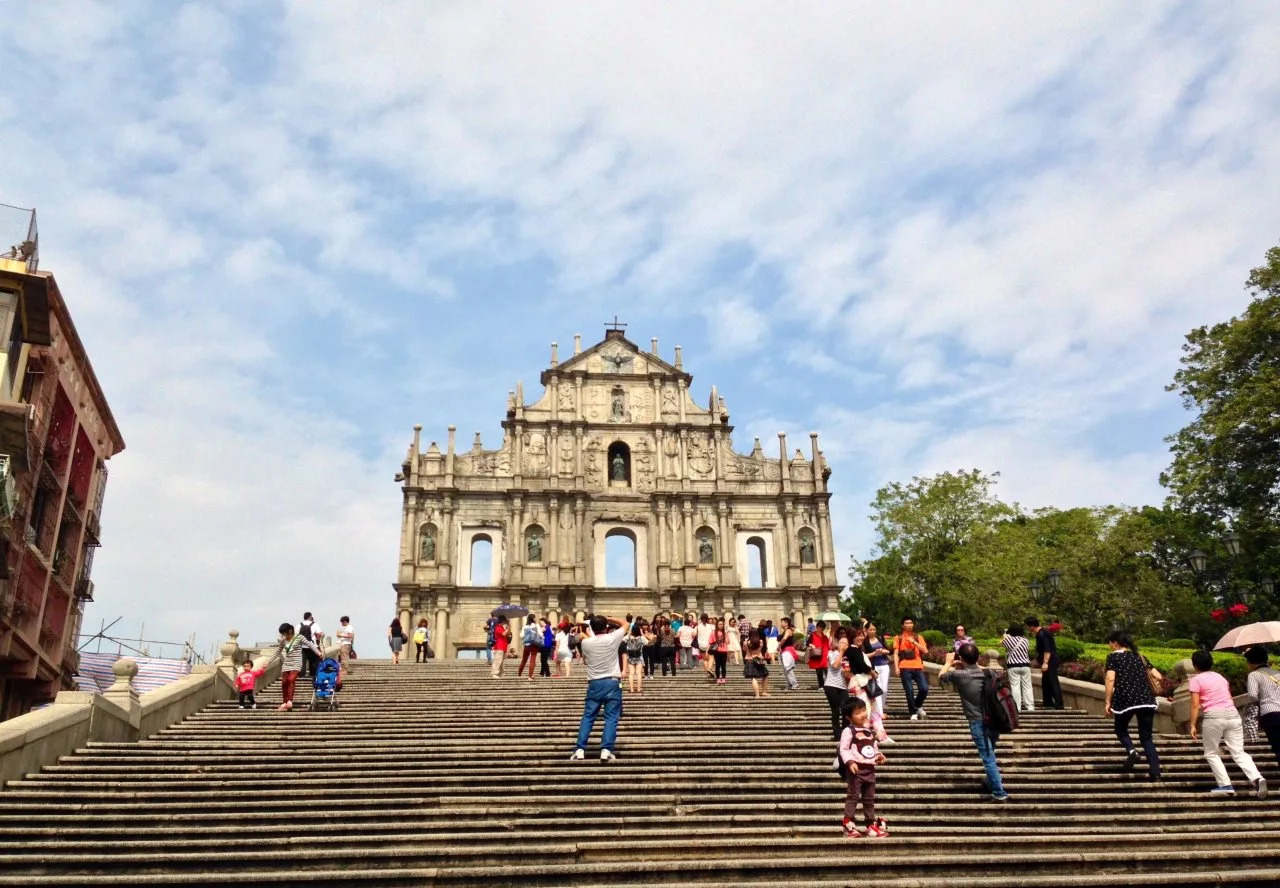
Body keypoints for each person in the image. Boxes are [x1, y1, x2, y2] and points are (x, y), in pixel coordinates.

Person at [1189, 650, 1266, 797]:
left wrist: (1192, 725)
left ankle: (1225, 785)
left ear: (1195, 665)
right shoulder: (1220, 677)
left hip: (1214, 716)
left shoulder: (1196, 680)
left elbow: (1194, 705)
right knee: (1238, 751)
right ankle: (1257, 778)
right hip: (1232, 714)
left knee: (1211, 753)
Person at [939, 642, 1008, 801]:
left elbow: (941, 677)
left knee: (988, 757)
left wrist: (948, 663)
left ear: (961, 658)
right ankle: (991, 782)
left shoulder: (959, 675)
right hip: (995, 719)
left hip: (978, 721)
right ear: (978, 657)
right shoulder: (990, 673)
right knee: (990, 752)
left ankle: (999, 792)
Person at [1103, 630, 1160, 780]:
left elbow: (1110, 679)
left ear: (1115, 643)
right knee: (1146, 738)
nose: (1109, 646)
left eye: (1110, 643)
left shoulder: (1113, 657)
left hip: (1125, 700)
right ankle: (1155, 772)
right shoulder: (1140, 656)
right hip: (1146, 700)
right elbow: (1158, 676)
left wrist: (1108, 701)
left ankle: (1131, 751)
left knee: (1120, 729)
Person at [569, 615, 628, 762]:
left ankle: (580, 749)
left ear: (592, 628)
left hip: (594, 683)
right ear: (606, 627)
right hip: (612, 682)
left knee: (588, 717)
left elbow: (586, 660)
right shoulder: (612, 638)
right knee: (611, 718)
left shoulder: (586, 643)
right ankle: (606, 749)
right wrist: (611, 617)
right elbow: (626, 624)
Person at [838, 697, 888, 838]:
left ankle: (870, 825)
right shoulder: (849, 731)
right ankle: (848, 825)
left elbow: (873, 747)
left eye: (863, 710)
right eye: (858, 712)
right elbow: (844, 749)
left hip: (869, 769)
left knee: (869, 799)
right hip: (856, 769)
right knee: (853, 797)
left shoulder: (868, 731)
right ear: (849, 717)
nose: (863, 714)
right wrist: (850, 762)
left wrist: (878, 755)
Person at [265, 622, 323, 712]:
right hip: (287, 663)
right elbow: (278, 652)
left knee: (291, 680)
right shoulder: (284, 641)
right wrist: (268, 662)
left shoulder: (299, 637)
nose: (284, 635)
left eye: (285, 633)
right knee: (284, 682)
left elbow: (310, 645)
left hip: (297, 663)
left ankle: (289, 701)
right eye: (282, 633)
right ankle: (284, 702)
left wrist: (318, 653)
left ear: (290, 630)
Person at [1244, 645, 1280, 765]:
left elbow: (1253, 695)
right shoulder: (1277, 673)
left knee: (1278, 748)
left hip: (1270, 714)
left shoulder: (1254, 675)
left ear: (1250, 662)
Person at [893, 618, 929, 720]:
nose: (909, 625)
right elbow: (896, 654)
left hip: (917, 666)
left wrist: (914, 642)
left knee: (924, 688)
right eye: (906, 623)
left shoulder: (918, 637)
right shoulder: (898, 637)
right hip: (904, 666)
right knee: (909, 690)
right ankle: (913, 712)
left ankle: (917, 706)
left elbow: (925, 651)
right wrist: (896, 667)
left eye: (910, 623)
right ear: (902, 625)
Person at [1028, 617, 1063, 709]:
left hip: (1050, 660)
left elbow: (1047, 649)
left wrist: (1045, 662)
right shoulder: (1042, 632)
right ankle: (1048, 702)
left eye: (1028, 626)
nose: (1028, 628)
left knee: (1052, 681)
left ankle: (1058, 704)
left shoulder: (1042, 634)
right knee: (1046, 681)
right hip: (1049, 659)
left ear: (1032, 626)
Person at [1001, 624, 1034, 712]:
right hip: (1025, 665)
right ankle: (1030, 706)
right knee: (1027, 686)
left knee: (1015, 686)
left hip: (1013, 665)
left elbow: (1001, 643)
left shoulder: (1008, 640)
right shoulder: (1026, 640)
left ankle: (1017, 706)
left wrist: (1005, 635)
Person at [823, 636, 850, 739]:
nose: (844, 645)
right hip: (831, 685)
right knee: (835, 710)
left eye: (846, 644)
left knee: (846, 709)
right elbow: (835, 665)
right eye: (842, 642)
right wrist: (841, 653)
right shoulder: (832, 653)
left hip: (843, 686)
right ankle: (837, 733)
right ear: (838, 644)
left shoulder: (848, 657)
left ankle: (845, 732)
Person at [863, 623, 891, 716]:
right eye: (870, 629)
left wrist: (883, 651)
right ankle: (880, 713)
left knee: (885, 689)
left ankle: (880, 708)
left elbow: (888, 651)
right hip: (874, 667)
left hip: (884, 665)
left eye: (874, 629)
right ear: (866, 631)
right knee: (877, 689)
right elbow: (863, 655)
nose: (872, 631)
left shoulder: (880, 638)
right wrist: (874, 653)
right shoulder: (864, 641)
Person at [744, 629, 770, 697]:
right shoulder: (761, 642)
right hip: (759, 660)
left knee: (753, 677)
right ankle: (764, 691)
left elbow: (744, 649)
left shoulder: (747, 642)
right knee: (765, 675)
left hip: (750, 660)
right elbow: (761, 649)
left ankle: (757, 695)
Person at [807, 620, 831, 690]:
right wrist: (811, 645)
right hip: (817, 655)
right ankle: (821, 686)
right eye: (820, 626)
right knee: (819, 672)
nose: (821, 628)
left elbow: (828, 646)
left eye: (823, 627)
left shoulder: (825, 637)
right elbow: (807, 643)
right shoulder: (812, 635)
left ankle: (828, 685)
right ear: (817, 627)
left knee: (827, 671)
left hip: (825, 656)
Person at [623, 623, 646, 694]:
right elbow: (646, 643)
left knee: (631, 673)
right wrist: (642, 634)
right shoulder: (641, 638)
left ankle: (632, 689)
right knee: (639, 673)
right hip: (639, 657)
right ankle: (639, 689)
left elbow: (623, 640)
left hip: (630, 657)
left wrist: (629, 634)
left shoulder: (628, 637)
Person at [298, 612, 321, 678]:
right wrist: (318, 640)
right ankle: (314, 675)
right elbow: (319, 634)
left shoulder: (299, 625)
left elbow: (296, 636)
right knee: (314, 662)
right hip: (312, 645)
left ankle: (302, 676)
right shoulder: (315, 624)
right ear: (310, 617)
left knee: (302, 662)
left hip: (301, 646)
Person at [518, 615, 541, 680]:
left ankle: (519, 674)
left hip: (527, 644)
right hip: (534, 644)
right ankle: (529, 676)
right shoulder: (537, 626)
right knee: (532, 660)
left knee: (524, 660)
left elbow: (521, 635)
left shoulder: (525, 626)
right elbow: (540, 634)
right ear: (533, 618)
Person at [710, 617, 729, 685]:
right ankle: (718, 678)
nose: (720, 625)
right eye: (719, 624)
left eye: (722, 624)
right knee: (717, 665)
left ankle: (723, 678)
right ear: (717, 625)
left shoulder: (725, 633)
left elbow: (728, 642)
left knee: (723, 665)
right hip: (717, 650)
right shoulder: (713, 633)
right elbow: (711, 642)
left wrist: (726, 634)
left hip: (724, 650)